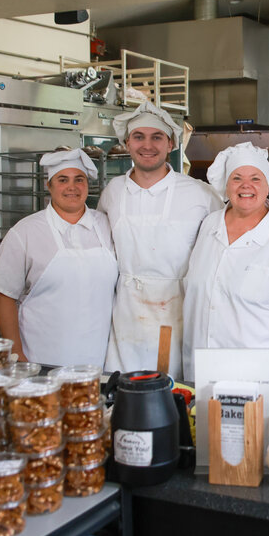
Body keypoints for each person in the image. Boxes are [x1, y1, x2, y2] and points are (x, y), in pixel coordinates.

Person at [100, 102, 223, 379]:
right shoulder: (113, 192)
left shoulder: (200, 194)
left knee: (173, 397)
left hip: (178, 312)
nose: (147, 145)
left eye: (157, 137)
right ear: (127, 143)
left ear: (171, 144)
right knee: (122, 394)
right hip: (125, 316)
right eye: (139, 137)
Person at [182, 142, 269, 373]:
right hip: (199, 369)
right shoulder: (208, 226)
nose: (246, 186)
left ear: (267, 186)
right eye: (237, 178)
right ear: (226, 186)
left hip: (259, 376)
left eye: (255, 178)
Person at [0, 149, 118, 366]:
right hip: (43, 359)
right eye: (62, 180)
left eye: (79, 179)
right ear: (49, 185)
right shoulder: (25, 232)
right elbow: (4, 296)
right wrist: (16, 354)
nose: (72, 187)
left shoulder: (106, 225)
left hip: (101, 357)